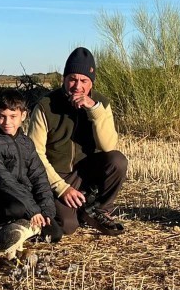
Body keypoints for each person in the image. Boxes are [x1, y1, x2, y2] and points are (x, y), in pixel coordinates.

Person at [28, 47, 128, 236]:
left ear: (91, 83)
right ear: (64, 79)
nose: (77, 86)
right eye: (72, 79)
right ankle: (72, 209)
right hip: (57, 175)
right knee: (67, 226)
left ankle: (99, 210)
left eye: (84, 81)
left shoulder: (101, 103)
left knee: (118, 161)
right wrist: (62, 188)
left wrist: (94, 110)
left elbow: (108, 146)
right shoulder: (46, 106)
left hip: (85, 172)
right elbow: (35, 154)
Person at [0, 89, 62, 243]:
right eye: (2, 116)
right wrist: (33, 209)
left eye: (13, 116)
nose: (7, 122)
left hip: (25, 198)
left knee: (54, 233)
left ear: (23, 115)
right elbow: (1, 177)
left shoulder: (27, 143)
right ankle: (0, 227)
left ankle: (17, 232)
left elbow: (39, 177)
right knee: (17, 209)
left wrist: (45, 212)